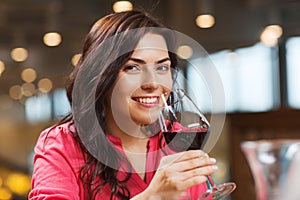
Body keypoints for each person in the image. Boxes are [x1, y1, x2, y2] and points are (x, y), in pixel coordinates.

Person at [29, 10, 218, 200]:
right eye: (132, 67)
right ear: (101, 75)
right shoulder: (62, 144)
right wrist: (152, 197)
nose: (152, 83)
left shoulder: (179, 140)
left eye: (162, 67)